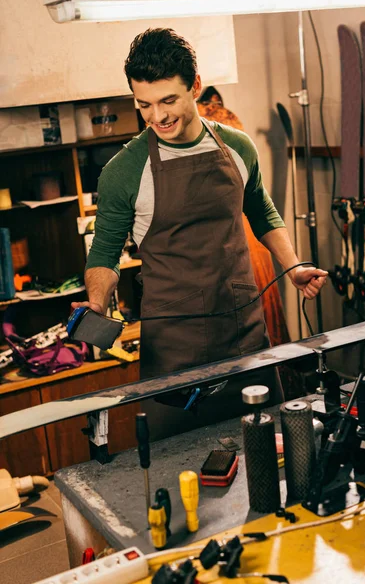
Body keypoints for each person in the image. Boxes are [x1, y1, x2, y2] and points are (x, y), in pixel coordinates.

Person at [72, 28, 327, 406]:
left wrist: (293, 267)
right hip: (174, 351)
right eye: (143, 104)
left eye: (167, 100)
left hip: (245, 337)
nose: (156, 116)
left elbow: (263, 213)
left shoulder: (238, 147)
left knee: (268, 449)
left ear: (195, 86)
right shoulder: (123, 171)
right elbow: (105, 254)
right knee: (174, 462)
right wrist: (96, 301)